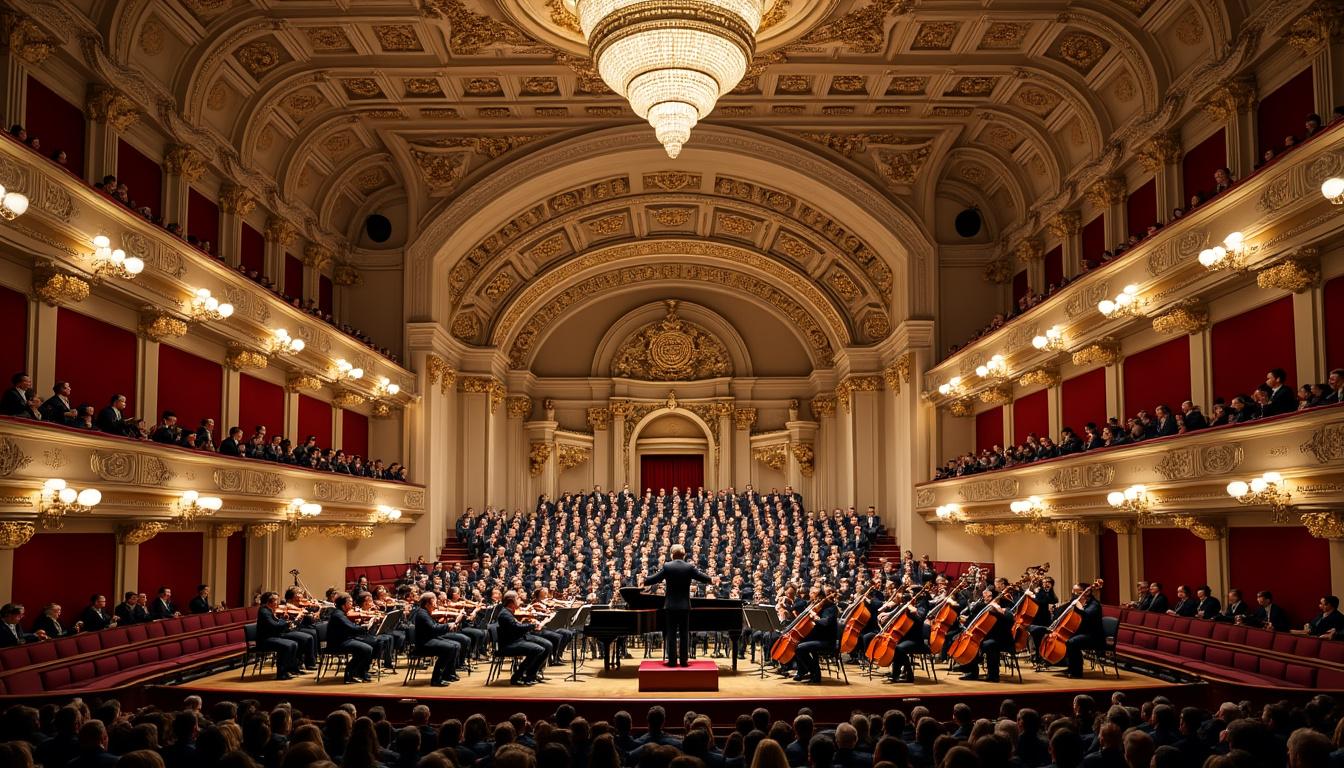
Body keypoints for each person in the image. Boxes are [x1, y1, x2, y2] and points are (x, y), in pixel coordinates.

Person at [644, 543, 714, 667]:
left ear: (671, 555)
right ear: (684, 555)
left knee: (670, 634)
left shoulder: (667, 566)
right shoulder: (689, 567)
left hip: (670, 606)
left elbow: (654, 579)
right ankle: (683, 661)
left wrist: (645, 579)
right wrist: (711, 580)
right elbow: (702, 577)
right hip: (684, 606)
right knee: (684, 634)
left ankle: (672, 661)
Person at [497, 590, 547, 686]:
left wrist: (525, 623)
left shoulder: (508, 612)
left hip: (514, 640)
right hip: (509, 644)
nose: (520, 600)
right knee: (537, 649)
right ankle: (517, 676)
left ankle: (526, 674)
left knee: (540, 648)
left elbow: (515, 626)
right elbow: (516, 628)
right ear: (511, 601)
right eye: (517, 598)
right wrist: (531, 625)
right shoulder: (505, 614)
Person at [411, 593, 461, 687]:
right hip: (423, 644)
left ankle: (448, 674)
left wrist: (448, 625)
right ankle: (436, 679)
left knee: (456, 645)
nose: (435, 603)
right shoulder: (422, 614)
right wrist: (448, 626)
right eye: (433, 601)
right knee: (449, 648)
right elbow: (433, 628)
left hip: (429, 639)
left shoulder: (425, 612)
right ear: (427, 603)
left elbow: (434, 628)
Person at [792, 586, 838, 685]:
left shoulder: (830, 608)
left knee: (800, 648)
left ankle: (815, 674)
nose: (810, 595)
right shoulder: (815, 605)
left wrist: (815, 617)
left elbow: (825, 623)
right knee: (796, 643)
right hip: (817, 637)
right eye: (810, 592)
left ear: (820, 596)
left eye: (813, 593)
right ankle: (803, 671)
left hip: (826, 640)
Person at [327, 593, 375, 684]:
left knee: (370, 644)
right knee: (367, 649)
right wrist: (365, 627)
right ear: (343, 604)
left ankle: (360, 672)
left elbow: (350, 627)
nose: (351, 605)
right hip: (338, 643)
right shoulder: (338, 615)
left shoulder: (341, 613)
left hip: (345, 639)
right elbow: (351, 628)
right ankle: (350, 675)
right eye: (349, 602)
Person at [255, 591, 303, 680]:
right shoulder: (264, 611)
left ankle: (290, 669)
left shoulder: (268, 610)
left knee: (294, 644)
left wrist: (283, 620)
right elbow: (274, 625)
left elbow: (276, 623)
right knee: (288, 645)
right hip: (265, 640)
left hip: (272, 637)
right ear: (269, 601)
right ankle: (281, 673)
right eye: (276, 600)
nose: (277, 602)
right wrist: (285, 622)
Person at [1060, 582, 1103, 679]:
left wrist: (1079, 608)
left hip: (1093, 636)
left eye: (1077, 593)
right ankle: (1070, 667)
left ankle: (1077, 672)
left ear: (1086, 593)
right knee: (1065, 638)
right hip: (1082, 632)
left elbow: (1086, 617)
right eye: (1073, 593)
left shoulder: (1094, 605)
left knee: (1072, 642)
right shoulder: (1081, 601)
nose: (1075, 595)